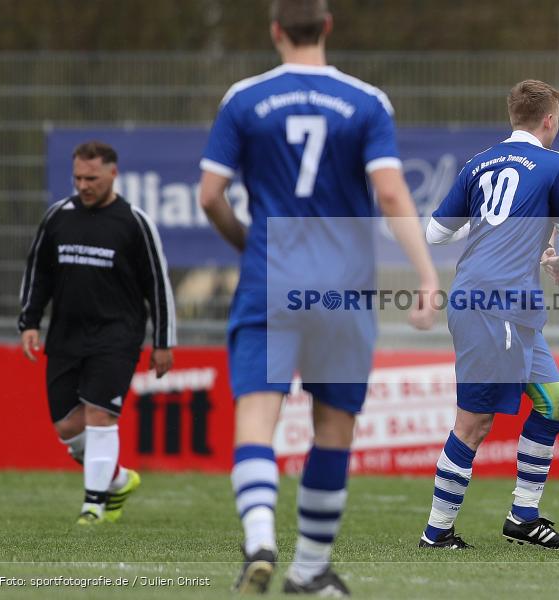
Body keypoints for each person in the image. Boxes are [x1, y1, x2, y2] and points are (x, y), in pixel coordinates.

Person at [198, 0, 438, 595]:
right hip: (342, 288)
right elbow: (389, 195)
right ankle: (308, 569)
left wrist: (247, 244)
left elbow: (209, 195)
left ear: (275, 31)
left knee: (257, 416)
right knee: (333, 429)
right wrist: (427, 276)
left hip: (270, 279)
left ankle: (259, 538)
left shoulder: (244, 99)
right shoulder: (365, 102)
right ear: (327, 27)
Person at [419, 80, 559, 550]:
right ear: (550, 120)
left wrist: (489, 224)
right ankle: (437, 532)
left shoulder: (478, 163)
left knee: (556, 402)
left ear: (513, 116)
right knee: (474, 424)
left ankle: (523, 519)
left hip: (504, 305)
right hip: (496, 305)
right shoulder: (555, 165)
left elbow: (435, 234)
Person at [18, 140, 176, 525]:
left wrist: (163, 342)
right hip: (66, 334)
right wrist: (30, 322)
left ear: (112, 173)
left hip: (116, 335)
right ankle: (119, 480)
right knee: (68, 427)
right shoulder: (57, 217)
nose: (84, 185)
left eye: (91, 178)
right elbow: (39, 273)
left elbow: (158, 285)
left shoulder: (134, 222)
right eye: (77, 178)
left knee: (100, 415)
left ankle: (94, 505)